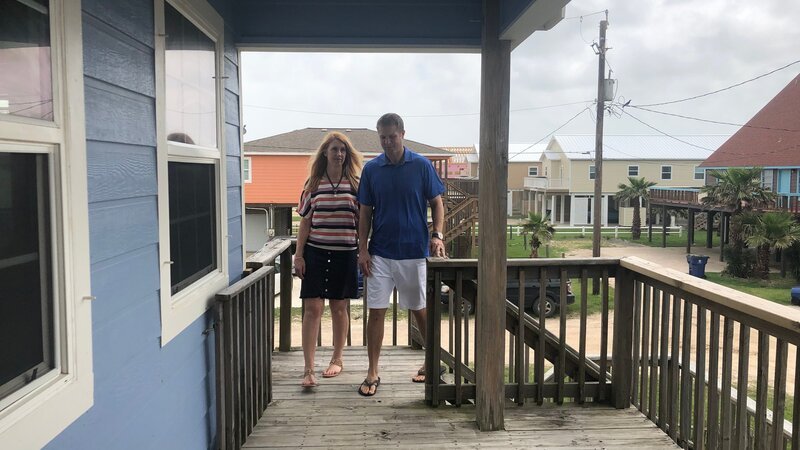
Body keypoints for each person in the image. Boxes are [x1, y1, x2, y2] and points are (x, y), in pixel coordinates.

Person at [356, 113, 446, 396]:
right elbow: (365, 212)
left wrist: (437, 235)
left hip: (414, 252)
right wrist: (362, 249)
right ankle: (372, 372)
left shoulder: (421, 165)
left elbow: (437, 204)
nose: (387, 142)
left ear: (402, 134)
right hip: (380, 252)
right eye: (382, 137)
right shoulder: (372, 169)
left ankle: (433, 363)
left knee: (419, 310)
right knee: (376, 312)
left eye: (392, 136)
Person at [295, 131, 363, 388]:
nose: (339, 154)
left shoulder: (356, 185)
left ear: (347, 155)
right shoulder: (312, 185)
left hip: (346, 253)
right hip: (316, 253)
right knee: (312, 309)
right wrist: (299, 255)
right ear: (325, 152)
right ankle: (308, 369)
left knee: (339, 307)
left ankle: (337, 359)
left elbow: (362, 223)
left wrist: (363, 250)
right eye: (334, 149)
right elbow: (305, 222)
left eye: (343, 150)